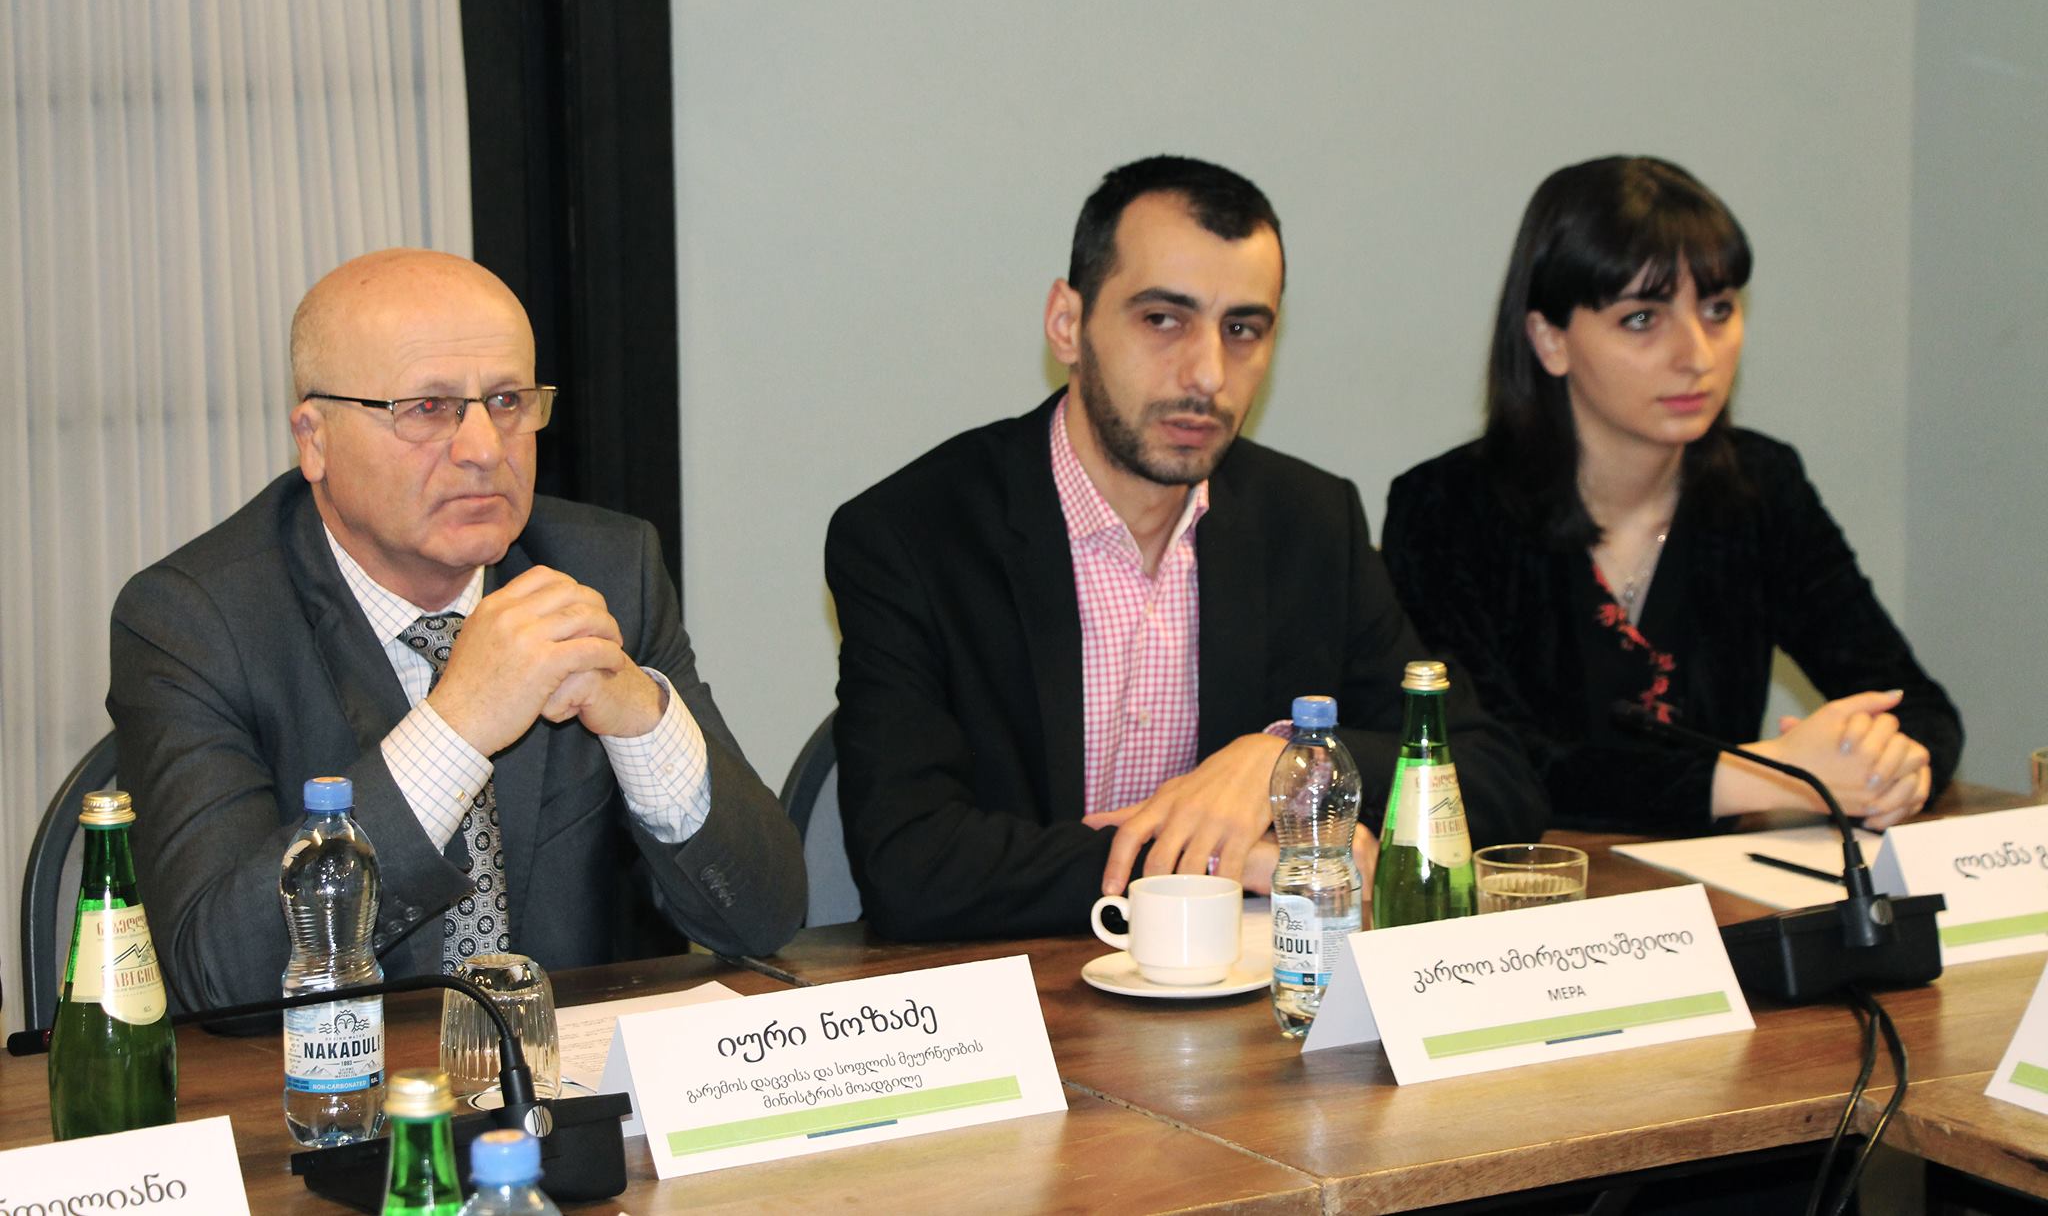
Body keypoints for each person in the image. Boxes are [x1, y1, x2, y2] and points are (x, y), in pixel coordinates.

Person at [826, 156, 1543, 941]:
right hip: (1022, 988)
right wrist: (1222, 862)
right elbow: (913, 865)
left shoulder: (1310, 522)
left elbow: (1492, 775)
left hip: (1249, 997)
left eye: (1242, 329)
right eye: (1163, 319)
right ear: (1067, 324)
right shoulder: (912, 535)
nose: (1207, 375)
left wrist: (1289, 765)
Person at [109, 249, 803, 1010]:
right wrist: (456, 728)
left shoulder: (605, 572)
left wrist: (642, 718)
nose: (483, 449)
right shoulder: (196, 618)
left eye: (506, 401)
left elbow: (762, 917)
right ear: (315, 439)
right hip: (338, 1074)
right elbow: (217, 977)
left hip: (571, 1071)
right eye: (427, 408)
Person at [1382, 156, 1962, 835]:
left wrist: (1895, 764)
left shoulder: (1761, 485)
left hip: (1726, 885)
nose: (1697, 355)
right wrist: (1769, 775)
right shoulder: (1445, 509)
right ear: (1550, 339)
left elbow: (1916, 704)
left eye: (1718, 311)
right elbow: (1492, 765)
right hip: (1542, 890)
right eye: (1641, 319)